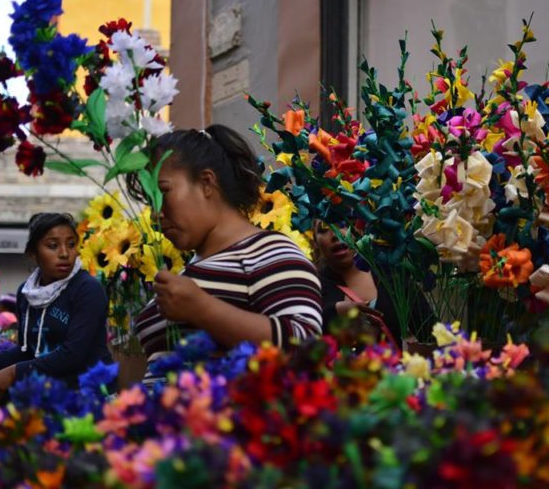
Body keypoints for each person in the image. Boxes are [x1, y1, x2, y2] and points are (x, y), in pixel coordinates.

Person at [132, 125, 323, 384]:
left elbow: (307, 349)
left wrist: (203, 309)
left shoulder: (270, 252)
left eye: (163, 192)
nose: (156, 214)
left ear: (207, 182)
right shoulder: (188, 272)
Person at [0, 213, 112, 402]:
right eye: (53, 246)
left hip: (86, 396)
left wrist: (13, 373)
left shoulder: (87, 290)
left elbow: (72, 355)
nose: (65, 253)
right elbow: (28, 350)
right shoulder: (26, 294)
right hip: (45, 395)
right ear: (33, 253)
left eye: (71, 244)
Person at [312, 220, 435, 349]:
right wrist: (334, 314)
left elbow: (431, 334)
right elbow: (302, 339)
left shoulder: (391, 274)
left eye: (343, 224)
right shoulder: (311, 286)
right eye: (324, 229)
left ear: (359, 228)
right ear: (315, 242)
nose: (336, 235)